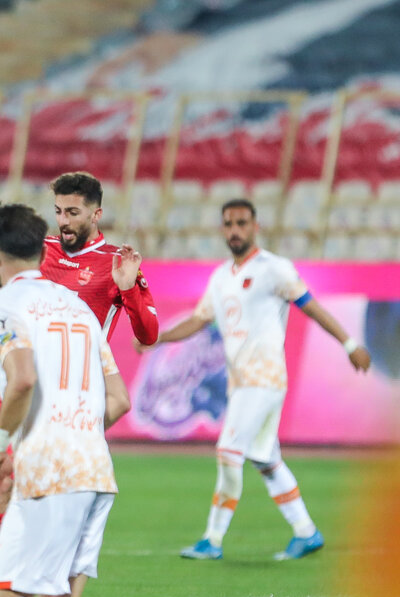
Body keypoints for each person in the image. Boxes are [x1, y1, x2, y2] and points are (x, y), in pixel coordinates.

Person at [0, 202, 164, 597]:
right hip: (94, 466)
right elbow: (119, 399)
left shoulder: (5, 305)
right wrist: (77, 431)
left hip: (50, 471)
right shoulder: (78, 308)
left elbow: (22, 381)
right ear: (42, 249)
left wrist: (0, 451)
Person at [0, 171, 158, 597]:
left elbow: (148, 334)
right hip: (22, 388)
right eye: (58, 211)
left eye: (73, 212)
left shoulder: (116, 264)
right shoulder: (43, 254)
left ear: (96, 214)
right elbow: (5, 298)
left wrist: (131, 289)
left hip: (68, 398)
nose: (63, 221)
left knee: (21, 498)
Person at [139, 199, 371, 560]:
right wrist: (159, 337)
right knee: (265, 458)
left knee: (229, 452)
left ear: (255, 226)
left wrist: (349, 342)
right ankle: (306, 532)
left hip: (264, 378)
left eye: (241, 223)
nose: (235, 230)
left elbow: (311, 305)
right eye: (229, 223)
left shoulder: (273, 269)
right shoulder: (220, 277)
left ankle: (212, 540)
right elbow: (199, 320)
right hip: (240, 383)